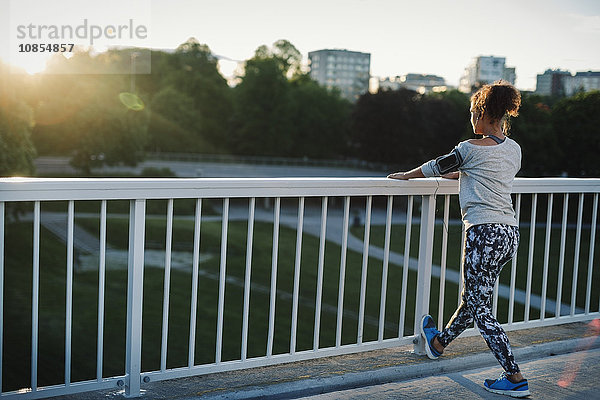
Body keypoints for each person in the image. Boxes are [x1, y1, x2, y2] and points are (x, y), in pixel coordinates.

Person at [388, 80, 529, 398]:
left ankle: (515, 376)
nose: (470, 119)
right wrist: (462, 172)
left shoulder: (468, 149)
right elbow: (478, 171)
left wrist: (405, 176)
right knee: (474, 299)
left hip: (482, 232)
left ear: (481, 113)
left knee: (481, 309)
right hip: (508, 233)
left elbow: (438, 166)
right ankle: (438, 343)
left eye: (471, 113)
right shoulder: (514, 150)